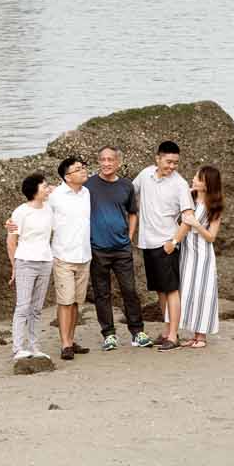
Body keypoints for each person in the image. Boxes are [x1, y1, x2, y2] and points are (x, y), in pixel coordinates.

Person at [85, 146, 151, 351]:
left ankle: (137, 332)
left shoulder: (126, 186)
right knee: (102, 293)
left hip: (122, 248)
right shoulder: (88, 185)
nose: (106, 163)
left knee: (129, 290)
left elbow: (133, 213)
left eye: (110, 160)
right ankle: (109, 335)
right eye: (102, 159)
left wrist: (129, 236)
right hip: (97, 249)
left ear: (118, 162)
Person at [133, 140, 196, 351]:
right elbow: (127, 193)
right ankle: (167, 330)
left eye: (175, 163)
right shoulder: (145, 175)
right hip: (147, 243)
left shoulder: (179, 184)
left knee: (171, 290)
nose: (171, 166)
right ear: (157, 158)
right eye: (168, 162)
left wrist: (174, 242)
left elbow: (188, 218)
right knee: (160, 290)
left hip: (167, 243)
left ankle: (173, 336)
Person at [5, 171, 57, 365]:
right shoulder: (20, 212)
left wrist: (51, 188)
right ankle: (18, 348)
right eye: (43, 186)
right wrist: (14, 267)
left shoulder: (49, 208)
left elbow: (59, 190)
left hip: (45, 261)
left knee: (36, 308)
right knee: (23, 306)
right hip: (25, 262)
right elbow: (11, 241)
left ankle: (34, 346)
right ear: (34, 191)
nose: (47, 188)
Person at [45, 155, 93, 361]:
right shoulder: (55, 196)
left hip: (84, 254)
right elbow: (39, 212)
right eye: (78, 169)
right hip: (63, 255)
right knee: (65, 301)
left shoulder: (86, 193)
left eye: (83, 167)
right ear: (67, 176)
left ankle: (71, 340)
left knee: (76, 303)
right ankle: (65, 344)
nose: (83, 171)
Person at [177, 165, 224, 348]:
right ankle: (193, 333)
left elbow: (211, 237)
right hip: (187, 252)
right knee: (188, 290)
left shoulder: (214, 206)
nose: (193, 180)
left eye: (198, 178)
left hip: (203, 254)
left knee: (203, 291)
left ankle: (202, 335)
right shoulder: (190, 198)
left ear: (207, 184)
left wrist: (196, 225)